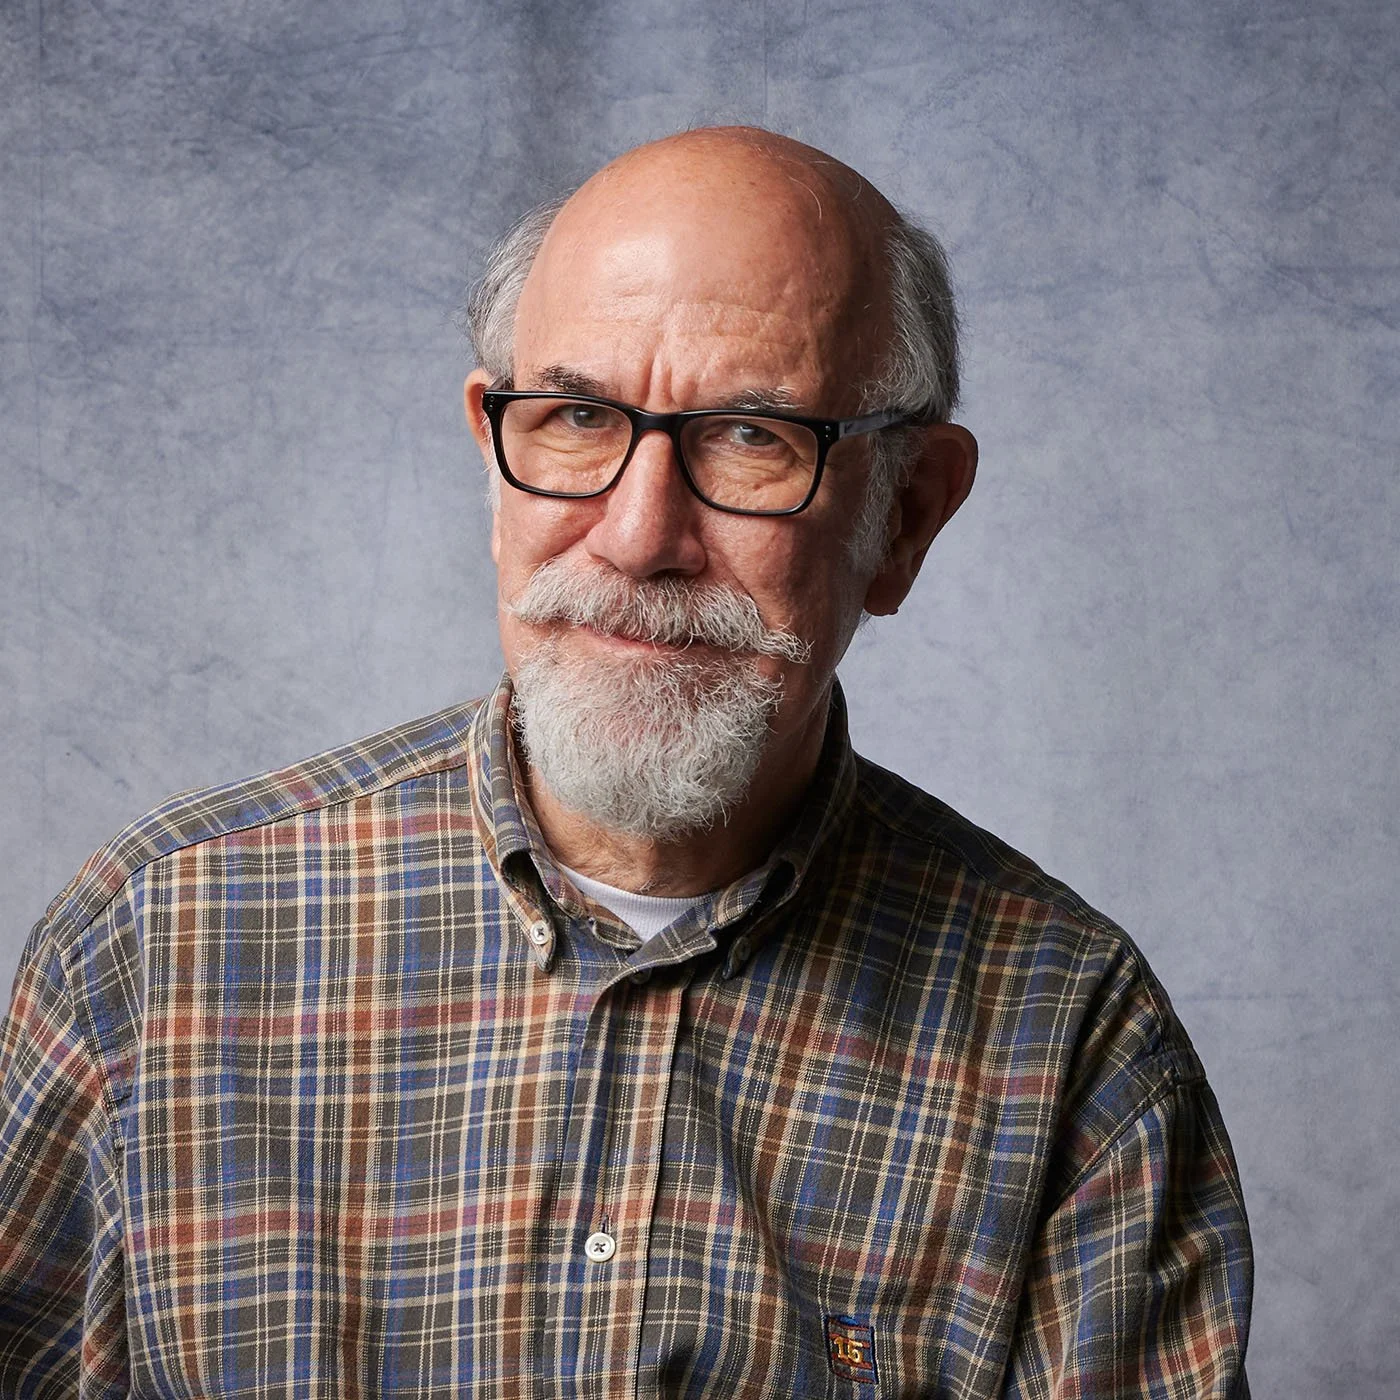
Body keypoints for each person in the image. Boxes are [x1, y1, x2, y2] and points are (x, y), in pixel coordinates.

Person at [0, 128, 1251, 1397]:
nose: (640, 533)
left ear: (907, 515)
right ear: (495, 450)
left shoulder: (1076, 1048)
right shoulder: (150, 949)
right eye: (578, 416)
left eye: (751, 437)